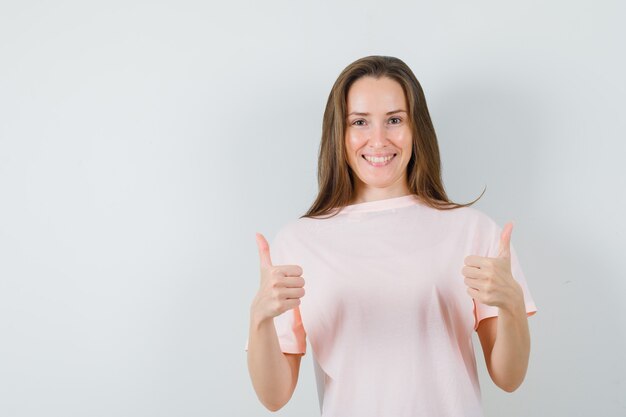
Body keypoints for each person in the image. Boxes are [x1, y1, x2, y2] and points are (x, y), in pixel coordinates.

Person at [245, 55, 537, 417]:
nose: (378, 140)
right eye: (360, 122)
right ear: (340, 132)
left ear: (417, 129)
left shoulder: (473, 230)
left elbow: (509, 377)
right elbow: (274, 396)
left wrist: (512, 308)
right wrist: (259, 318)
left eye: (394, 120)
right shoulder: (299, 241)